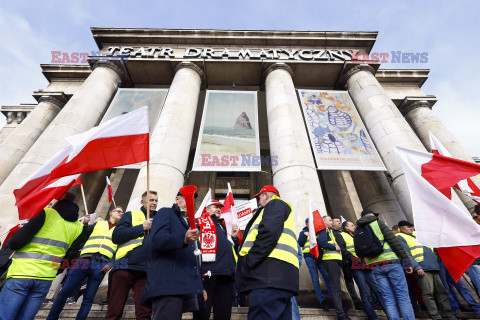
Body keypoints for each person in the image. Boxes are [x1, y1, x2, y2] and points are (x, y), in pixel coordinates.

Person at [0, 198, 84, 320]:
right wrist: (55, 270)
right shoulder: (79, 227)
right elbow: (70, 255)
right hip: (46, 278)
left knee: (4, 316)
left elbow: (16, 242)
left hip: (22, 273)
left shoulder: (47, 213)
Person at [46, 206, 124, 320]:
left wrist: (110, 265)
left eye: (123, 212)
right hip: (84, 260)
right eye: (119, 211)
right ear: (111, 212)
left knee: (88, 298)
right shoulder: (99, 224)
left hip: (101, 264)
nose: (121, 213)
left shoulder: (121, 230)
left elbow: (120, 250)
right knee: (65, 292)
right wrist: (86, 224)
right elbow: (82, 237)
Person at [236, 185, 299, 320]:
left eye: (259, 198)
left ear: (266, 196)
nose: (259, 202)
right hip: (279, 278)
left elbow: (269, 233)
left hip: (268, 277)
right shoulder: (278, 208)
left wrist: (250, 260)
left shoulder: (274, 204)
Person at [141, 189, 203, 320]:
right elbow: (157, 240)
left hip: (181, 285)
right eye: (187, 198)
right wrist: (184, 239)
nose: (190, 202)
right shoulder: (166, 213)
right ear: (177, 199)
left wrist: (199, 286)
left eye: (193, 200)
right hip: (167, 284)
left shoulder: (187, 223)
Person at [105, 191, 158, 320]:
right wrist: (142, 227)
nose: (154, 203)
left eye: (156, 200)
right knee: (114, 311)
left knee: (144, 313)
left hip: (146, 272)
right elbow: (117, 236)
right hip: (125, 267)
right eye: (151, 200)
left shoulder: (160, 219)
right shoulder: (131, 215)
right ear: (142, 202)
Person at [356, 208, 415, 320]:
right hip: (391, 263)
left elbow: (359, 251)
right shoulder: (378, 223)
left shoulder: (358, 229)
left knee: (388, 298)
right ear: (370, 215)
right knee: (402, 296)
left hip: (375, 266)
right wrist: (406, 263)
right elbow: (395, 243)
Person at [396, 220, 457, 320]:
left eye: (412, 226)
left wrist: (436, 261)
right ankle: (435, 316)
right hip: (422, 268)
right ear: (402, 229)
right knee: (428, 293)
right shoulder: (400, 237)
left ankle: (448, 314)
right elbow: (406, 254)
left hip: (433, 266)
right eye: (408, 227)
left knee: (442, 292)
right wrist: (417, 267)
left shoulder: (417, 235)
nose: (412, 228)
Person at [193, 199, 238, 320]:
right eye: (214, 206)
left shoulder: (223, 228)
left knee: (223, 315)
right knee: (202, 314)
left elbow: (228, 251)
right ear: (207, 209)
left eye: (220, 207)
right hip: (207, 275)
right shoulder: (199, 222)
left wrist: (234, 239)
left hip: (226, 276)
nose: (218, 209)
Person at [340, 221, 379, 320]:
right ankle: (372, 316)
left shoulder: (356, 235)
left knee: (376, 288)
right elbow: (343, 249)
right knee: (363, 290)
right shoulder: (342, 235)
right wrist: (353, 258)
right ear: (346, 227)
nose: (354, 226)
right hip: (355, 263)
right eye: (352, 225)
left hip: (365, 262)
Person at [318, 215, 351, 320]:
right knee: (335, 287)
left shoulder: (330, 231)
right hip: (330, 260)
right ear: (324, 221)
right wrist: (334, 247)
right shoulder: (323, 230)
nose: (332, 221)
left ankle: (341, 312)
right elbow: (322, 243)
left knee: (337, 287)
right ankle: (340, 314)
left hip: (336, 261)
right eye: (330, 220)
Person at [297, 218, 330, 310]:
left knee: (327, 277)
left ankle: (334, 298)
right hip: (309, 257)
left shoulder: (318, 231)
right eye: (310, 223)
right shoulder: (303, 232)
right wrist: (304, 235)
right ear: (307, 224)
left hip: (319, 257)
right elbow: (299, 243)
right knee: (315, 278)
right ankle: (322, 301)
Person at [332, 217, 363, 311]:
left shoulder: (348, 234)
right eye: (336, 221)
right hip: (346, 261)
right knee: (349, 280)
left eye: (339, 221)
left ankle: (363, 301)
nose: (339, 223)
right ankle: (357, 301)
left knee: (361, 281)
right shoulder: (334, 233)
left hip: (356, 260)